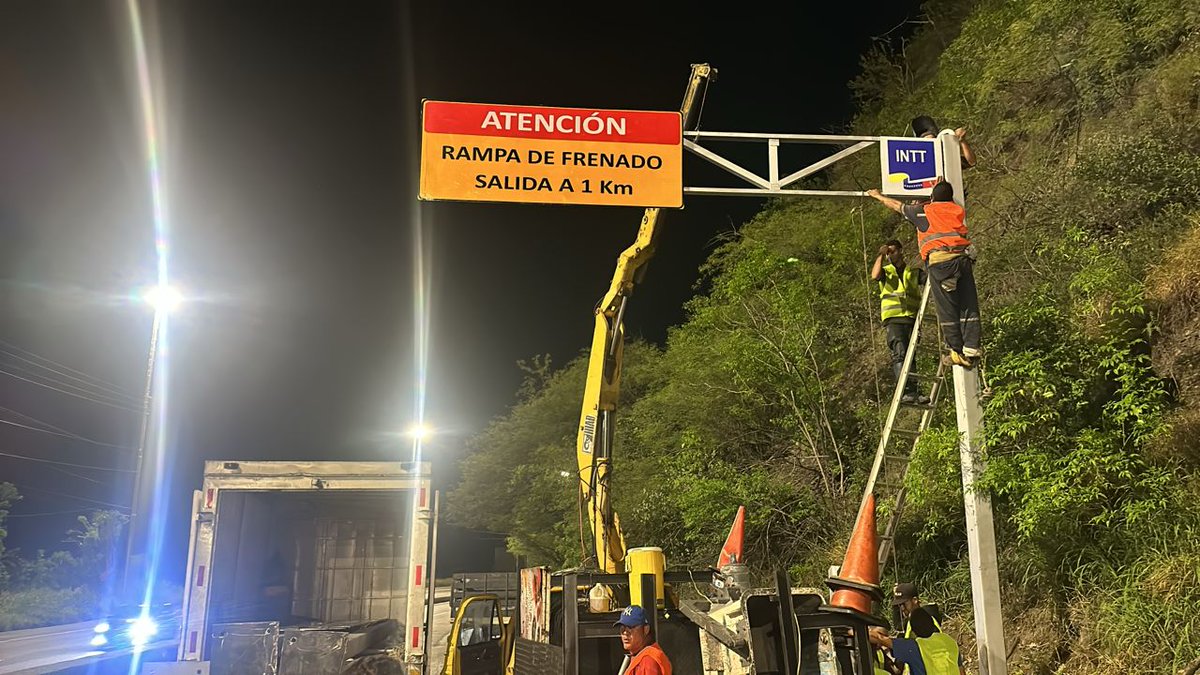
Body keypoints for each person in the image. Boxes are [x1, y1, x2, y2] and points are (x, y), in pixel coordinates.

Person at [866, 182, 980, 368]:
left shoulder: (924, 211)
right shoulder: (956, 209)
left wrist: (878, 196)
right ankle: (972, 347)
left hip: (942, 263)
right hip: (963, 260)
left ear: (932, 198)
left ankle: (957, 351)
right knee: (968, 303)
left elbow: (896, 206)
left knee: (947, 308)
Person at [871, 239, 929, 405]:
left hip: (912, 318)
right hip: (894, 319)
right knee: (900, 352)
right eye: (888, 252)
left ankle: (914, 392)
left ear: (901, 251)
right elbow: (874, 275)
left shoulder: (912, 272)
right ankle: (905, 391)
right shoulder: (886, 271)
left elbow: (931, 279)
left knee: (912, 356)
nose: (890, 255)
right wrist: (880, 255)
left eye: (893, 251)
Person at [869, 605, 966, 675]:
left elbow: (879, 638)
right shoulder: (949, 641)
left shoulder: (913, 647)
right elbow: (961, 672)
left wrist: (855, 630)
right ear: (932, 623)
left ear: (914, 631)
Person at [614, 605, 671, 675]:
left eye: (630, 627)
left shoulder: (648, 661)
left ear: (646, 629)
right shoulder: (639, 655)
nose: (625, 632)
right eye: (622, 628)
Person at [911, 115, 976, 168]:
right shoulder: (915, 161)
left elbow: (971, 162)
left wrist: (962, 141)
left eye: (933, 141)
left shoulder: (945, 155)